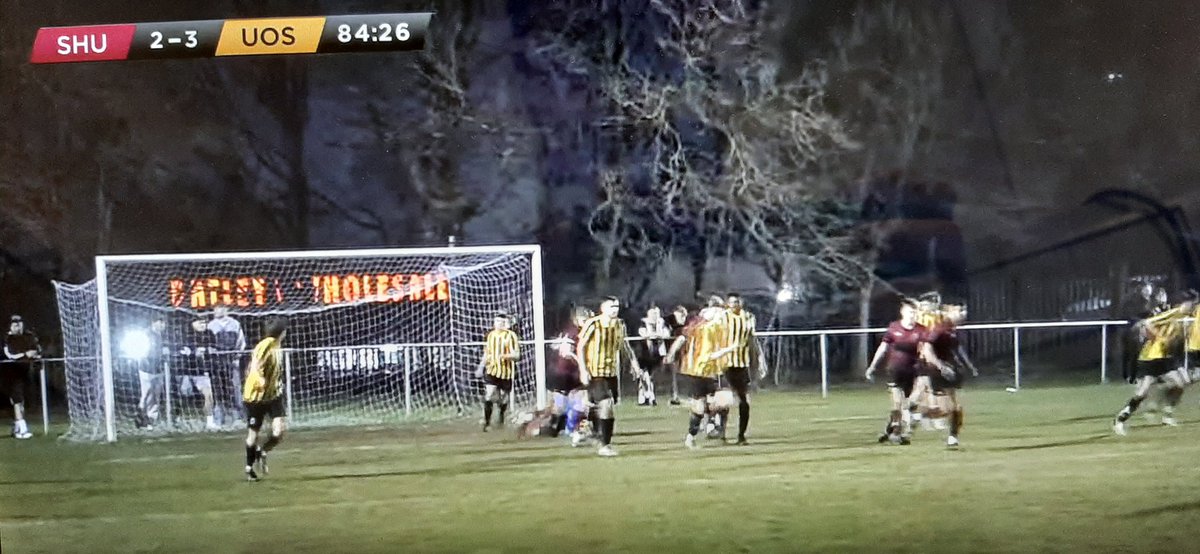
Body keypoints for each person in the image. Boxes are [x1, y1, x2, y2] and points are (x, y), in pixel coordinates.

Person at [1114, 292, 1195, 435]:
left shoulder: (1181, 316)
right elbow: (1147, 324)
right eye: (1188, 304)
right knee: (1142, 393)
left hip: (1164, 358)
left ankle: (1167, 414)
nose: (1191, 307)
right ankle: (1120, 419)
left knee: (1180, 384)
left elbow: (1177, 333)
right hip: (1149, 358)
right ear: (1181, 305)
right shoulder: (1172, 313)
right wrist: (1160, 338)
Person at [576, 296, 642, 457]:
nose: (615, 309)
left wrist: (634, 364)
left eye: (617, 306)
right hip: (595, 372)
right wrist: (583, 370)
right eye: (612, 306)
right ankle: (605, 445)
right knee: (606, 405)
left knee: (597, 406)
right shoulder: (593, 323)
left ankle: (586, 429)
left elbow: (625, 346)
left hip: (611, 373)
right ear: (603, 308)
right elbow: (581, 346)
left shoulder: (619, 325)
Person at [865, 298, 929, 445]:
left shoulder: (921, 330)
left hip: (914, 371)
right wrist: (873, 366)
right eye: (910, 312)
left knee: (910, 404)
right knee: (897, 403)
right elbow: (883, 348)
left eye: (914, 312)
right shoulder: (894, 328)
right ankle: (896, 433)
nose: (912, 315)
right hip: (895, 369)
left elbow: (927, 350)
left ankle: (890, 429)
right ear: (903, 312)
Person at [706, 293, 765, 445]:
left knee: (744, 401)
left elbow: (752, 340)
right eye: (731, 302)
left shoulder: (748, 318)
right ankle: (720, 432)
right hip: (724, 363)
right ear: (727, 304)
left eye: (736, 302)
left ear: (741, 303)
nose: (734, 305)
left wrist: (759, 360)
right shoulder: (721, 317)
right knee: (724, 400)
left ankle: (741, 435)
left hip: (741, 365)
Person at [919, 302, 979, 447]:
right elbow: (927, 350)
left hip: (949, 370)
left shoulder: (952, 330)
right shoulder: (939, 328)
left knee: (956, 408)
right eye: (959, 310)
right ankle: (920, 415)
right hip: (937, 372)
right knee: (946, 409)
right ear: (949, 312)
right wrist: (940, 366)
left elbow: (957, 349)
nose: (963, 314)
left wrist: (969, 366)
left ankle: (953, 437)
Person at [671, 305, 728, 449]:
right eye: (719, 315)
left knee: (720, 400)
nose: (722, 318)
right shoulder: (706, 329)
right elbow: (709, 354)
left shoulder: (711, 329)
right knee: (702, 406)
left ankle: (710, 425)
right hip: (700, 371)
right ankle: (692, 435)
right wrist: (731, 348)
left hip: (709, 371)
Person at [242, 317, 289, 482]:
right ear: (281, 332)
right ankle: (249, 468)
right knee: (252, 434)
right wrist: (260, 380)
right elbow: (255, 365)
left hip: (273, 395)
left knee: (279, 432)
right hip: (255, 397)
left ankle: (262, 451)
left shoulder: (277, 345)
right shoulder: (266, 344)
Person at [548, 306, 591, 440]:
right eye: (584, 319)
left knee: (582, 401)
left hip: (573, 373)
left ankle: (571, 429)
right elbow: (566, 353)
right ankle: (555, 428)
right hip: (563, 373)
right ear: (576, 320)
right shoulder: (573, 332)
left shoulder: (583, 332)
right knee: (560, 405)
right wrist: (581, 363)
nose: (587, 321)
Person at [474, 312, 520, 432]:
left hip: (506, 372)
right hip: (492, 370)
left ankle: (501, 418)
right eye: (497, 321)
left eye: (501, 322)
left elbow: (517, 355)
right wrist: (480, 367)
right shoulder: (490, 335)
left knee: (503, 399)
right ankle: (487, 422)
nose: (499, 324)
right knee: (489, 395)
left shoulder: (511, 336)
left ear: (505, 323)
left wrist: (505, 356)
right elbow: (486, 353)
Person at [2, 315, 40, 439]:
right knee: (16, 400)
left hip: (25, 372)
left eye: (19, 323)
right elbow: (9, 355)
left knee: (21, 401)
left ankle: (17, 427)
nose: (18, 326)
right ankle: (22, 429)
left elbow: (36, 350)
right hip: (10, 373)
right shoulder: (7, 338)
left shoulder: (28, 336)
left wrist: (35, 355)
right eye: (15, 324)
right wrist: (25, 354)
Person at [178, 316, 219, 431]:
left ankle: (210, 422)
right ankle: (179, 419)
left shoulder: (209, 334)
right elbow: (182, 350)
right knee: (183, 397)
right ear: (193, 323)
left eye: (204, 322)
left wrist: (209, 351)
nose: (203, 325)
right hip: (186, 372)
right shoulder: (186, 335)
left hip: (202, 372)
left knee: (208, 395)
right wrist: (192, 352)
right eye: (200, 322)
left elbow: (214, 348)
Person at [208, 307, 246, 426]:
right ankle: (219, 418)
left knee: (235, 389)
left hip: (232, 361)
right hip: (217, 363)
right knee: (218, 389)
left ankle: (237, 417)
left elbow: (241, 342)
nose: (216, 312)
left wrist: (237, 357)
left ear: (226, 310)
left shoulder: (235, 324)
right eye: (215, 310)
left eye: (219, 309)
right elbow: (208, 343)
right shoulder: (211, 325)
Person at [135, 317, 171, 430]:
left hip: (159, 368)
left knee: (156, 394)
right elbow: (142, 351)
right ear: (153, 322)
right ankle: (140, 417)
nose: (162, 325)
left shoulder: (164, 336)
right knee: (146, 393)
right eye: (160, 322)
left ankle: (151, 420)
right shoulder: (146, 334)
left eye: (164, 323)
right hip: (146, 368)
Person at [635, 306, 670, 407]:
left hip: (658, 353)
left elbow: (666, 333)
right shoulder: (643, 322)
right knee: (644, 375)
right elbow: (643, 333)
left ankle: (651, 396)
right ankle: (645, 397)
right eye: (653, 314)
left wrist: (657, 334)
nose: (655, 316)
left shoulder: (661, 322)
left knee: (652, 376)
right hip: (644, 352)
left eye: (657, 313)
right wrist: (655, 334)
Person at [665, 305, 691, 405]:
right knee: (673, 375)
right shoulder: (670, 324)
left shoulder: (686, 327)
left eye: (684, 316)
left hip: (684, 354)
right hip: (677, 355)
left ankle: (685, 396)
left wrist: (671, 353)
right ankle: (675, 396)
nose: (682, 318)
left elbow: (681, 339)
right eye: (681, 316)